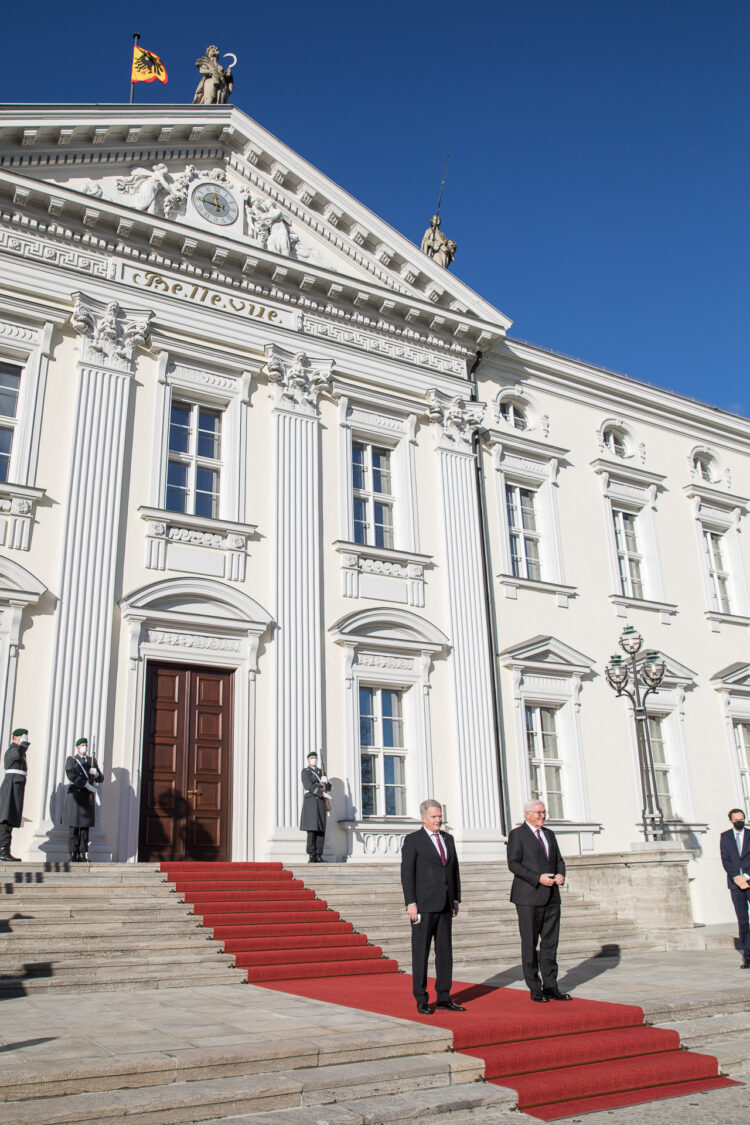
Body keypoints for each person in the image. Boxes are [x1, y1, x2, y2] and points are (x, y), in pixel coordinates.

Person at [400, 799, 464, 1015]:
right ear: (424, 818)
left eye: (439, 816)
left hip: (445, 904)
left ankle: (444, 996)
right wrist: (411, 903)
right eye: (434, 816)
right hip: (423, 906)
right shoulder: (413, 840)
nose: (438, 820)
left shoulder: (448, 839)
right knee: (421, 953)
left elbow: (453, 870)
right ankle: (421, 998)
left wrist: (455, 898)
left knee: (445, 953)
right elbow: (407, 874)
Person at [507, 800, 571, 1002]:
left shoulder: (549, 834)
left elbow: (559, 860)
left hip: (552, 896)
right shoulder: (517, 835)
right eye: (539, 813)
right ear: (528, 814)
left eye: (544, 812)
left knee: (550, 943)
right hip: (528, 897)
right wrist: (537, 878)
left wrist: (561, 875)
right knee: (530, 943)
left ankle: (551, 985)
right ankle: (535, 987)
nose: (542, 816)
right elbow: (514, 864)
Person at [63, 737, 103, 862]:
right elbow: (71, 774)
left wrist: (96, 774)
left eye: (86, 744)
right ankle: (73, 853)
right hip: (76, 794)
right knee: (74, 826)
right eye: (82, 745)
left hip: (88, 796)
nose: (84, 747)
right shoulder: (72, 760)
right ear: (77, 747)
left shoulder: (92, 761)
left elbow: (100, 778)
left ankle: (82, 853)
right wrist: (84, 784)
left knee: (85, 827)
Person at [719, 807, 750, 968]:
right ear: (731, 820)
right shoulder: (725, 837)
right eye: (736, 819)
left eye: (742, 819)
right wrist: (736, 878)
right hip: (735, 884)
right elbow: (725, 860)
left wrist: (746, 876)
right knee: (743, 920)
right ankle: (748, 956)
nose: (739, 821)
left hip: (749, 880)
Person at [0, 728, 30, 861]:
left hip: (16, 787)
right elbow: (16, 756)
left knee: (10, 818)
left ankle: (5, 850)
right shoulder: (13, 749)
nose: (24, 739)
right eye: (22, 737)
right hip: (10, 787)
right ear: (15, 738)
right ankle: (2, 851)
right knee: (6, 818)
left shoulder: (20, 751)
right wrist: (23, 746)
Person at [299, 750, 331, 863]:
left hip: (321, 803)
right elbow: (308, 786)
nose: (314, 759)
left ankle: (319, 855)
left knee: (321, 830)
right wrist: (321, 792)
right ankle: (312, 855)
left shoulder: (321, 772)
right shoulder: (306, 771)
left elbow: (329, 787)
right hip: (311, 801)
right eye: (312, 757)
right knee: (312, 829)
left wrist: (326, 782)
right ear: (308, 760)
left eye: (315, 757)